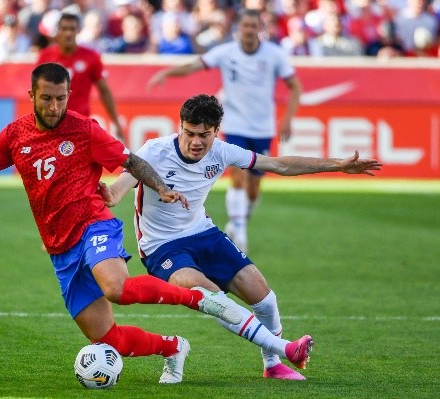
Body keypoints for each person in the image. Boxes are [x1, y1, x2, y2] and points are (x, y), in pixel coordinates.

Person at [0, 63, 254, 385]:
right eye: (46, 98)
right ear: (32, 94)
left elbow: (132, 161)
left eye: (61, 98)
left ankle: (199, 298)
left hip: (93, 225)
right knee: (108, 340)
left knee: (116, 288)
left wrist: (160, 187)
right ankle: (172, 347)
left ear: (69, 95)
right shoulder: (14, 135)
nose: (54, 107)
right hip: (59, 248)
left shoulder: (84, 129)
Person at [99, 94, 383, 380]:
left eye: (204, 135)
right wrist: (112, 194)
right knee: (214, 299)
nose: (196, 142)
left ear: (216, 131)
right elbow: (124, 183)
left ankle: (273, 365)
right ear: (180, 126)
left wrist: (337, 165)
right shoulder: (154, 151)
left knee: (265, 299)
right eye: (190, 133)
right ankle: (286, 349)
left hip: (203, 233)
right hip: (161, 248)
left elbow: (279, 165)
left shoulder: (222, 152)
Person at [147, 8, 302, 253]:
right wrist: (166, 72)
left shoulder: (275, 55)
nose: (249, 30)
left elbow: (295, 86)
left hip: (263, 127)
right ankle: (239, 231)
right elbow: (193, 66)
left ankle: (239, 221)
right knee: (239, 174)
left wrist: (288, 119)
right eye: (245, 26)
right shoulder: (225, 52)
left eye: (253, 26)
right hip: (235, 123)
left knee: (253, 187)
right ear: (238, 29)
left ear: (259, 29)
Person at [36, 13, 124, 140]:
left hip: (79, 125)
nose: (68, 33)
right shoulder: (46, 57)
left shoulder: (91, 57)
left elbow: (104, 91)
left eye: (72, 29)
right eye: (64, 29)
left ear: (78, 31)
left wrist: (116, 122)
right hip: (52, 124)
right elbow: (39, 92)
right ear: (58, 31)